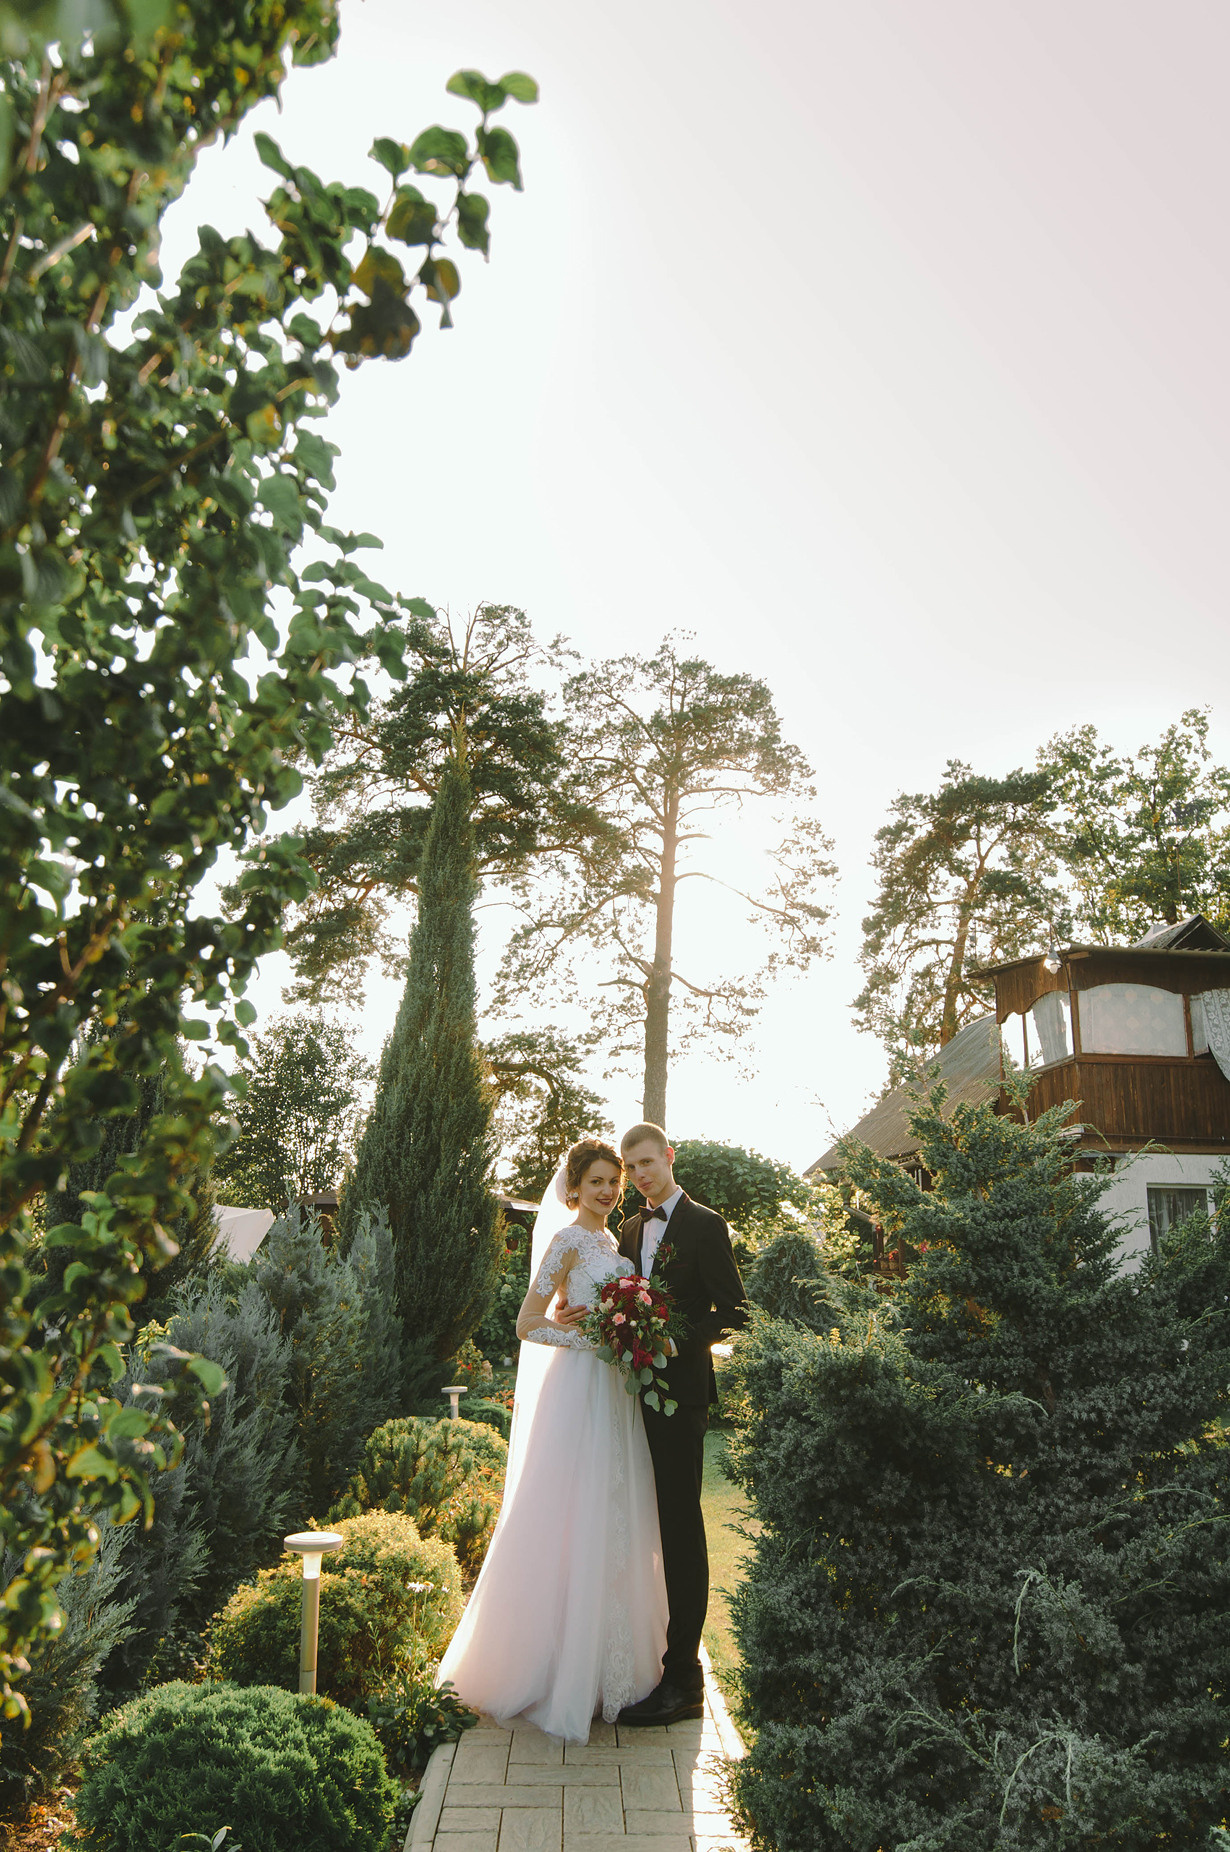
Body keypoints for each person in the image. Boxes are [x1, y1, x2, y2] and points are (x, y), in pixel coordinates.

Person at [436, 1138, 668, 1742]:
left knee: (614, 1512)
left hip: (616, 1395)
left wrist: (625, 1339)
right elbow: (528, 1323)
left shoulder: (614, 1244)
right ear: (573, 1188)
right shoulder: (567, 1241)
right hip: (579, 1390)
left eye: (613, 1180)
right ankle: (557, 1671)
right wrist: (590, 1341)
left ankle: (607, 1667)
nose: (608, 1190)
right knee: (569, 1511)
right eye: (596, 1181)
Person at [611, 1122, 748, 1726]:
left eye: (647, 1162)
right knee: (639, 1522)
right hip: (629, 1397)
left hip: (681, 1397)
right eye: (630, 1168)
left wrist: (672, 1337)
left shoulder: (704, 1224)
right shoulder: (631, 1228)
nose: (640, 1175)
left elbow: (736, 1312)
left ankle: (684, 1681)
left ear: (668, 1157)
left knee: (681, 1528)